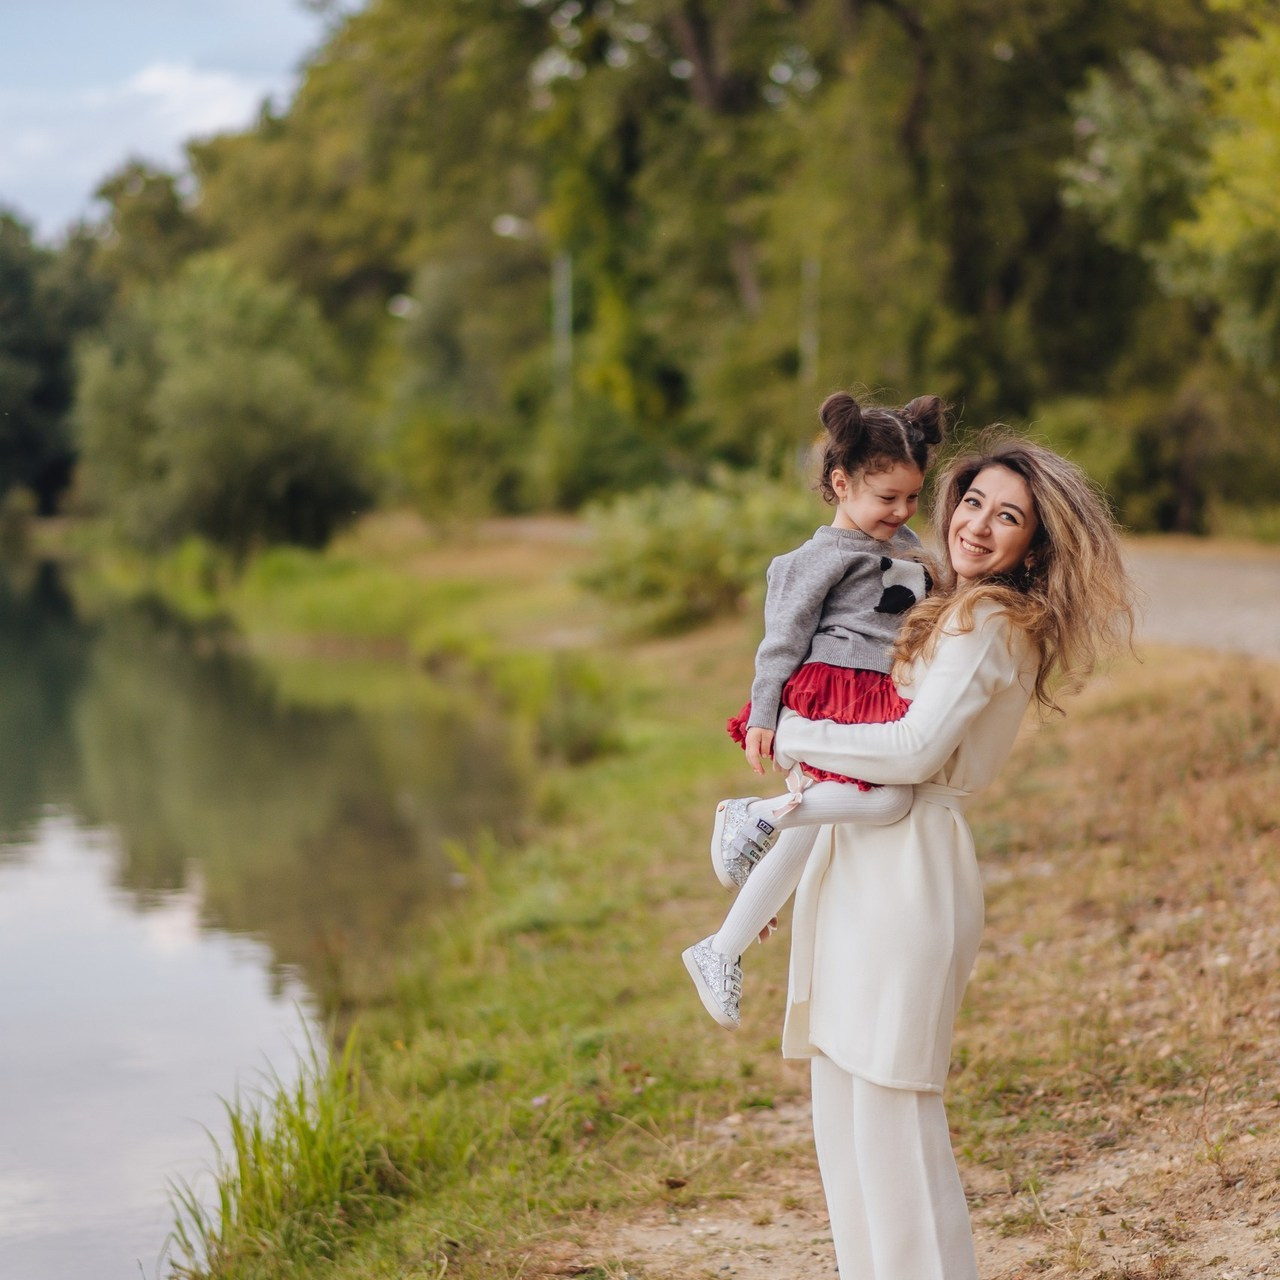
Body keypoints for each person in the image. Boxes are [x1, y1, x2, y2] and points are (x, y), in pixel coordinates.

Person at [714, 435, 1134, 1280]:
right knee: (847, 1125)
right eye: (973, 501)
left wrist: (787, 732)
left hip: (909, 870)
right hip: (856, 857)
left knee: (896, 1129)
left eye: (1008, 517)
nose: (978, 526)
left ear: (1035, 545)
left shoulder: (990, 619)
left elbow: (908, 751)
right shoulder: (941, 599)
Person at [683, 389, 950, 1030]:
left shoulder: (908, 544)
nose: (901, 511)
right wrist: (764, 715)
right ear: (841, 484)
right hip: (830, 693)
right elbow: (781, 639)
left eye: (912, 497)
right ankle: (752, 814)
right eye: (886, 498)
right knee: (888, 801)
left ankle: (720, 949)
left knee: (806, 840)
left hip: (875, 696)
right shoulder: (817, 560)